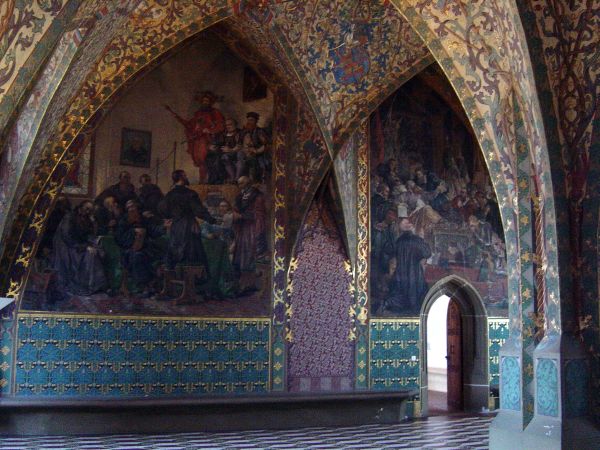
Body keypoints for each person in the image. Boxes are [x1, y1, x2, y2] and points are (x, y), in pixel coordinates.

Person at [158, 169, 216, 271]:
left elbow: (162, 209)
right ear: (181, 178)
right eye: (185, 175)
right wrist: (211, 219)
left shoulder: (170, 194)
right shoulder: (190, 194)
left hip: (176, 227)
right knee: (192, 255)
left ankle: (178, 276)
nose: (187, 177)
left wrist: (172, 216)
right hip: (188, 227)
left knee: (176, 252)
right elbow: (199, 211)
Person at [165, 92, 225, 183]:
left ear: (210, 102)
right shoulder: (198, 114)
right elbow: (189, 124)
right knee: (200, 161)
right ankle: (202, 180)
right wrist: (175, 115)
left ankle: (207, 180)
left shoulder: (215, 113)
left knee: (205, 160)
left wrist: (210, 130)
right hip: (198, 140)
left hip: (208, 140)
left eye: (207, 101)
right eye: (203, 101)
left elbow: (221, 126)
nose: (205, 102)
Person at [52, 201, 107, 296]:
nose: (88, 212)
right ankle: (87, 285)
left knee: (99, 251)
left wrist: (94, 224)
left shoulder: (86, 219)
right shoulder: (70, 217)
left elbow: (88, 234)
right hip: (68, 247)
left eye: (90, 210)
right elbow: (67, 236)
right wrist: (85, 247)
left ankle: (98, 285)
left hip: (79, 245)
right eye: (86, 209)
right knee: (90, 255)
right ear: (80, 207)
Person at [387, 218, 431, 314]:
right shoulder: (417, 240)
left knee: (400, 293)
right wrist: (422, 239)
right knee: (415, 296)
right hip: (415, 272)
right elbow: (427, 253)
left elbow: (390, 252)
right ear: (412, 229)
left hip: (400, 272)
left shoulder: (398, 241)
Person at [232, 176, 266, 292]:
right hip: (242, 229)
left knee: (249, 255)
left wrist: (242, 216)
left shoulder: (257, 196)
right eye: (239, 184)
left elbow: (259, 214)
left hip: (251, 229)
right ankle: (241, 283)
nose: (239, 186)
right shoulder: (240, 196)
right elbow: (236, 208)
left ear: (247, 184)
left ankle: (249, 283)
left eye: (241, 183)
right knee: (240, 255)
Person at [241, 112, 270, 183]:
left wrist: (256, 151)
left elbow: (266, 145)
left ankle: (254, 180)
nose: (249, 122)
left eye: (251, 120)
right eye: (248, 120)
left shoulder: (259, 132)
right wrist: (247, 150)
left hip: (260, 154)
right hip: (249, 153)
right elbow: (244, 145)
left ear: (256, 121)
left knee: (252, 160)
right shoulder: (246, 132)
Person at [218, 118, 243, 183]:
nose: (228, 126)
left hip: (238, 152)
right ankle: (232, 177)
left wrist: (230, 150)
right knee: (224, 157)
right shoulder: (224, 134)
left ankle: (237, 178)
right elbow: (220, 144)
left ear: (235, 125)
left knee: (240, 155)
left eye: (230, 124)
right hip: (229, 153)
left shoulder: (240, 133)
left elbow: (240, 145)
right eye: (226, 125)